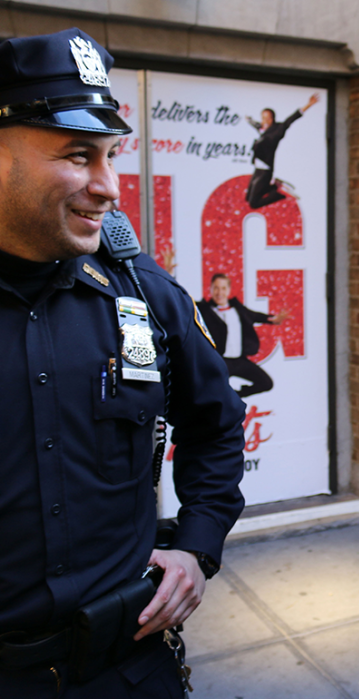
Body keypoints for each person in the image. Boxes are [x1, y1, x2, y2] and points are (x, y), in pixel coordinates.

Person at [0, 29, 246, 697]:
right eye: (80, 156)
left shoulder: (144, 293)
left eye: (112, 156)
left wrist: (198, 546)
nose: (109, 187)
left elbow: (217, 426)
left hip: (129, 666)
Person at [197, 273, 289, 398]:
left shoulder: (238, 309)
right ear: (211, 289)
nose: (219, 292)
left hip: (239, 360)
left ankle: (233, 396)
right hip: (220, 361)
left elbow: (255, 316)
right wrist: (169, 275)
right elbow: (180, 301)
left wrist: (273, 319)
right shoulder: (204, 310)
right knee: (207, 389)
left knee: (266, 383)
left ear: (229, 290)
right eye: (216, 288)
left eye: (223, 288)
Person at [244, 93, 318, 209]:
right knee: (248, 198)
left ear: (273, 119)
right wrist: (248, 119)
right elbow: (256, 125)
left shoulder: (277, 130)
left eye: (268, 118)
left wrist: (308, 105)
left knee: (253, 204)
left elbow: (291, 119)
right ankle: (274, 186)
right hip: (257, 169)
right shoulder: (262, 129)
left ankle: (279, 194)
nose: (266, 121)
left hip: (265, 171)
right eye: (263, 118)